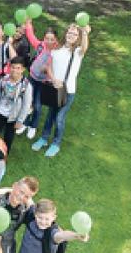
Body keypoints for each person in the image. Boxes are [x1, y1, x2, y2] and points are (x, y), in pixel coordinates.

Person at [31, 23, 90, 157]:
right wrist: (53, 79)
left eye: (75, 34)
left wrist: (85, 32)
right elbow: (48, 67)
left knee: (59, 118)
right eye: (69, 33)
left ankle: (56, 143)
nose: (71, 36)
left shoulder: (77, 52)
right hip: (55, 88)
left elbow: (85, 47)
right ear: (65, 34)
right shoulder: (57, 50)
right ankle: (44, 138)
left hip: (68, 91)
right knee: (50, 115)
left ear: (78, 38)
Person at [0, 56, 32, 151]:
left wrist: (20, 121)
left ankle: (3, 156)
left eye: (18, 68)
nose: (14, 70)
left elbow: (26, 105)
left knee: (8, 139)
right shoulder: (3, 81)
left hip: (13, 117)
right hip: (0, 113)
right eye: (13, 67)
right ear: (9, 67)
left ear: (23, 69)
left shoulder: (26, 86)